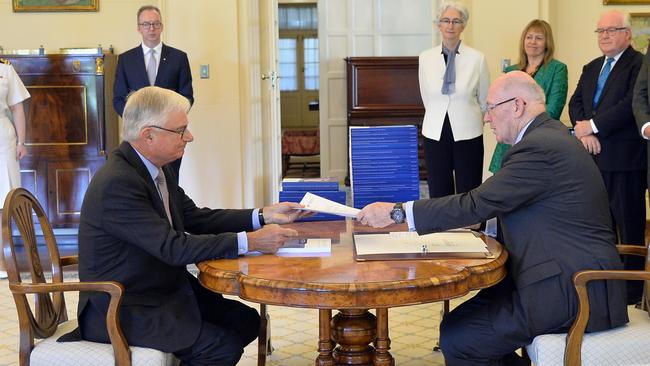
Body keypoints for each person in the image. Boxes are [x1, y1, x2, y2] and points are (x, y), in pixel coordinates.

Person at [357, 71, 627, 366]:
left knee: (462, 339)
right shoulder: (546, 138)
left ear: (517, 106)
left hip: (573, 289)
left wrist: (397, 212)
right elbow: (524, 208)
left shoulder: (540, 147)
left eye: (490, 107)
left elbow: (477, 202)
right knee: (456, 327)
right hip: (558, 275)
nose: (486, 118)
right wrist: (480, 222)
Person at [77, 86, 307, 365]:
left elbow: (197, 218)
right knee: (220, 347)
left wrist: (263, 215)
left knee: (246, 321)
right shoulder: (119, 182)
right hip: (122, 305)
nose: (190, 137)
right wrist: (252, 240)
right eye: (180, 130)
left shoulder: (155, 168)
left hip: (160, 289)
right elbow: (173, 248)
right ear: (148, 134)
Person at [569, 10, 645, 304]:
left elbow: (631, 106)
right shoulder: (591, 67)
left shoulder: (639, 64)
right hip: (592, 160)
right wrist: (584, 132)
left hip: (625, 161)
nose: (604, 35)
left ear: (627, 34)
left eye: (611, 30)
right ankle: (606, 285)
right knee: (599, 226)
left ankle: (633, 292)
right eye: (600, 31)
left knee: (629, 228)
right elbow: (576, 103)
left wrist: (595, 126)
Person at [418, 0, 489, 199]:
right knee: (439, 188)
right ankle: (442, 228)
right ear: (438, 24)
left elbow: (484, 99)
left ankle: (472, 227)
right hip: (435, 130)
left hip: (469, 130)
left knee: (470, 187)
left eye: (456, 21)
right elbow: (426, 96)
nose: (451, 26)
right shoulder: (425, 58)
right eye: (446, 20)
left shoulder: (477, 58)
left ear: (463, 25)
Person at [113, 5, 193, 181]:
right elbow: (118, 99)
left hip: (169, 135)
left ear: (162, 26)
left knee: (170, 183)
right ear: (138, 28)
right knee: (140, 181)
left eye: (156, 24)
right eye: (146, 24)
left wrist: (167, 120)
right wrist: (139, 121)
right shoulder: (126, 59)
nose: (151, 28)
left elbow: (187, 96)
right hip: (139, 137)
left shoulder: (178, 58)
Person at [489, 19, 568, 174]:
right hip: (508, 141)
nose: (533, 42)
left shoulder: (557, 69)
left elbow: (553, 108)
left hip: (537, 140)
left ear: (547, 43)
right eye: (529, 37)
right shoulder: (511, 70)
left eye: (539, 38)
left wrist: (523, 127)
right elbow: (500, 105)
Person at [0, 58, 30, 279]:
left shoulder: (5, 69)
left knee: (5, 198)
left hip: (3, 139)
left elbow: (17, 107)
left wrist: (22, 141)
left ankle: (3, 260)